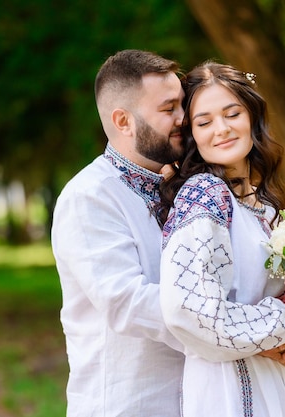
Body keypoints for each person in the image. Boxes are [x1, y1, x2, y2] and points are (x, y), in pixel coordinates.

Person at [157, 61, 285, 417]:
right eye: (204, 122)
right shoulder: (203, 195)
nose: (222, 129)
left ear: (252, 118)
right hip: (229, 387)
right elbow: (189, 311)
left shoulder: (265, 206)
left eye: (233, 113)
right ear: (192, 136)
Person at [51, 49, 187, 416]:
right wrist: (235, 333)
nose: (184, 118)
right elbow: (128, 303)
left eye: (182, 105)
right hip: (128, 403)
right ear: (123, 121)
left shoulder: (186, 189)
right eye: (168, 108)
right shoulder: (89, 197)